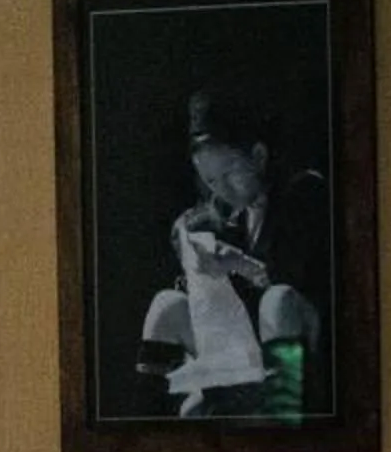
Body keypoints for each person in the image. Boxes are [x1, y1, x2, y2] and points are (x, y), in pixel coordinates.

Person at [137, 90, 321, 418]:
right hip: (239, 352)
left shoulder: (303, 194)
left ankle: (284, 414)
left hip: (294, 341)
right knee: (166, 304)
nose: (222, 189)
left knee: (277, 299)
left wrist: (242, 264)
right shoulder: (214, 217)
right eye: (210, 180)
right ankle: (146, 422)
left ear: (259, 156)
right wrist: (197, 270)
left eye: (231, 173)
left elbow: (303, 283)